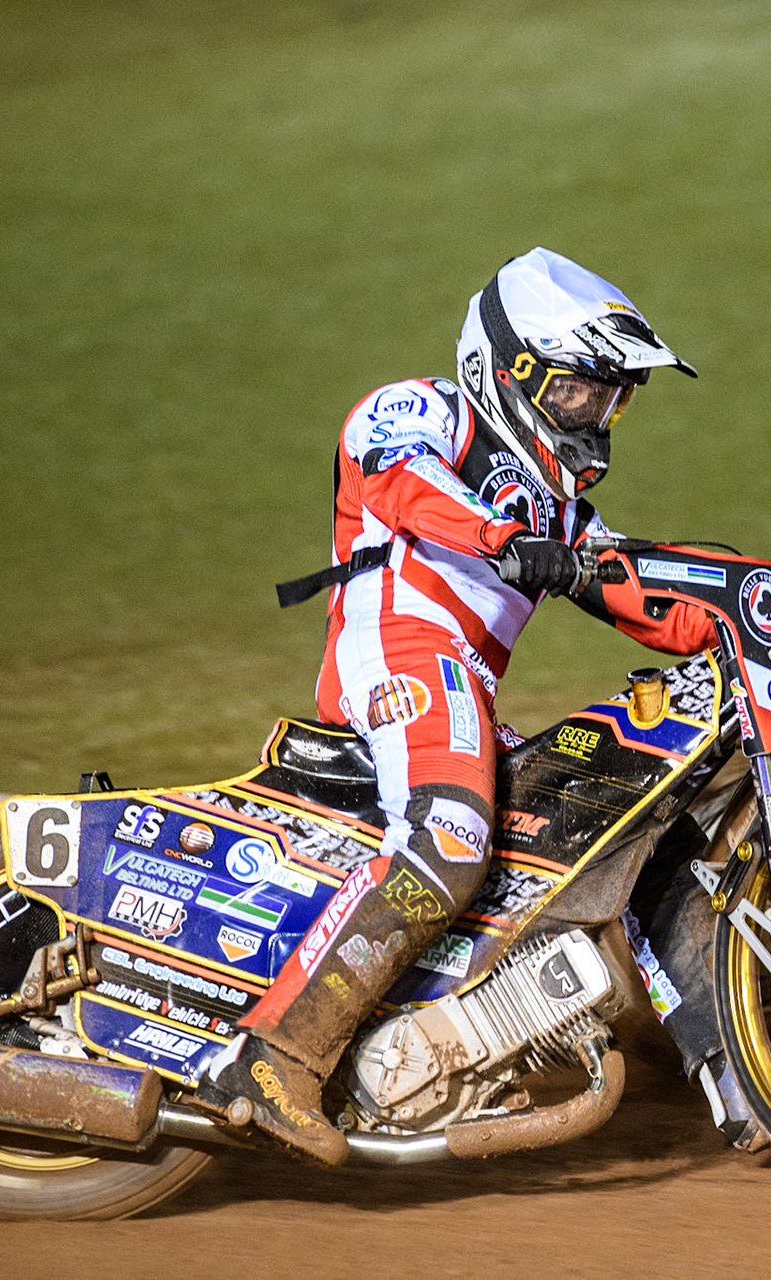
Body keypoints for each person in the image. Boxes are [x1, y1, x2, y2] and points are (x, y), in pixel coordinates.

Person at [193, 248, 723, 1163]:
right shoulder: (421, 410)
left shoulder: (561, 511)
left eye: (609, 399)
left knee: (618, 827)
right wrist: (501, 536)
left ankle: (744, 1064)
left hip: (464, 687)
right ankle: (274, 1056)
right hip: (397, 653)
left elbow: (658, 600)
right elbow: (403, 484)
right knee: (451, 833)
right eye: (577, 391)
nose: (595, 417)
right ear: (508, 369)